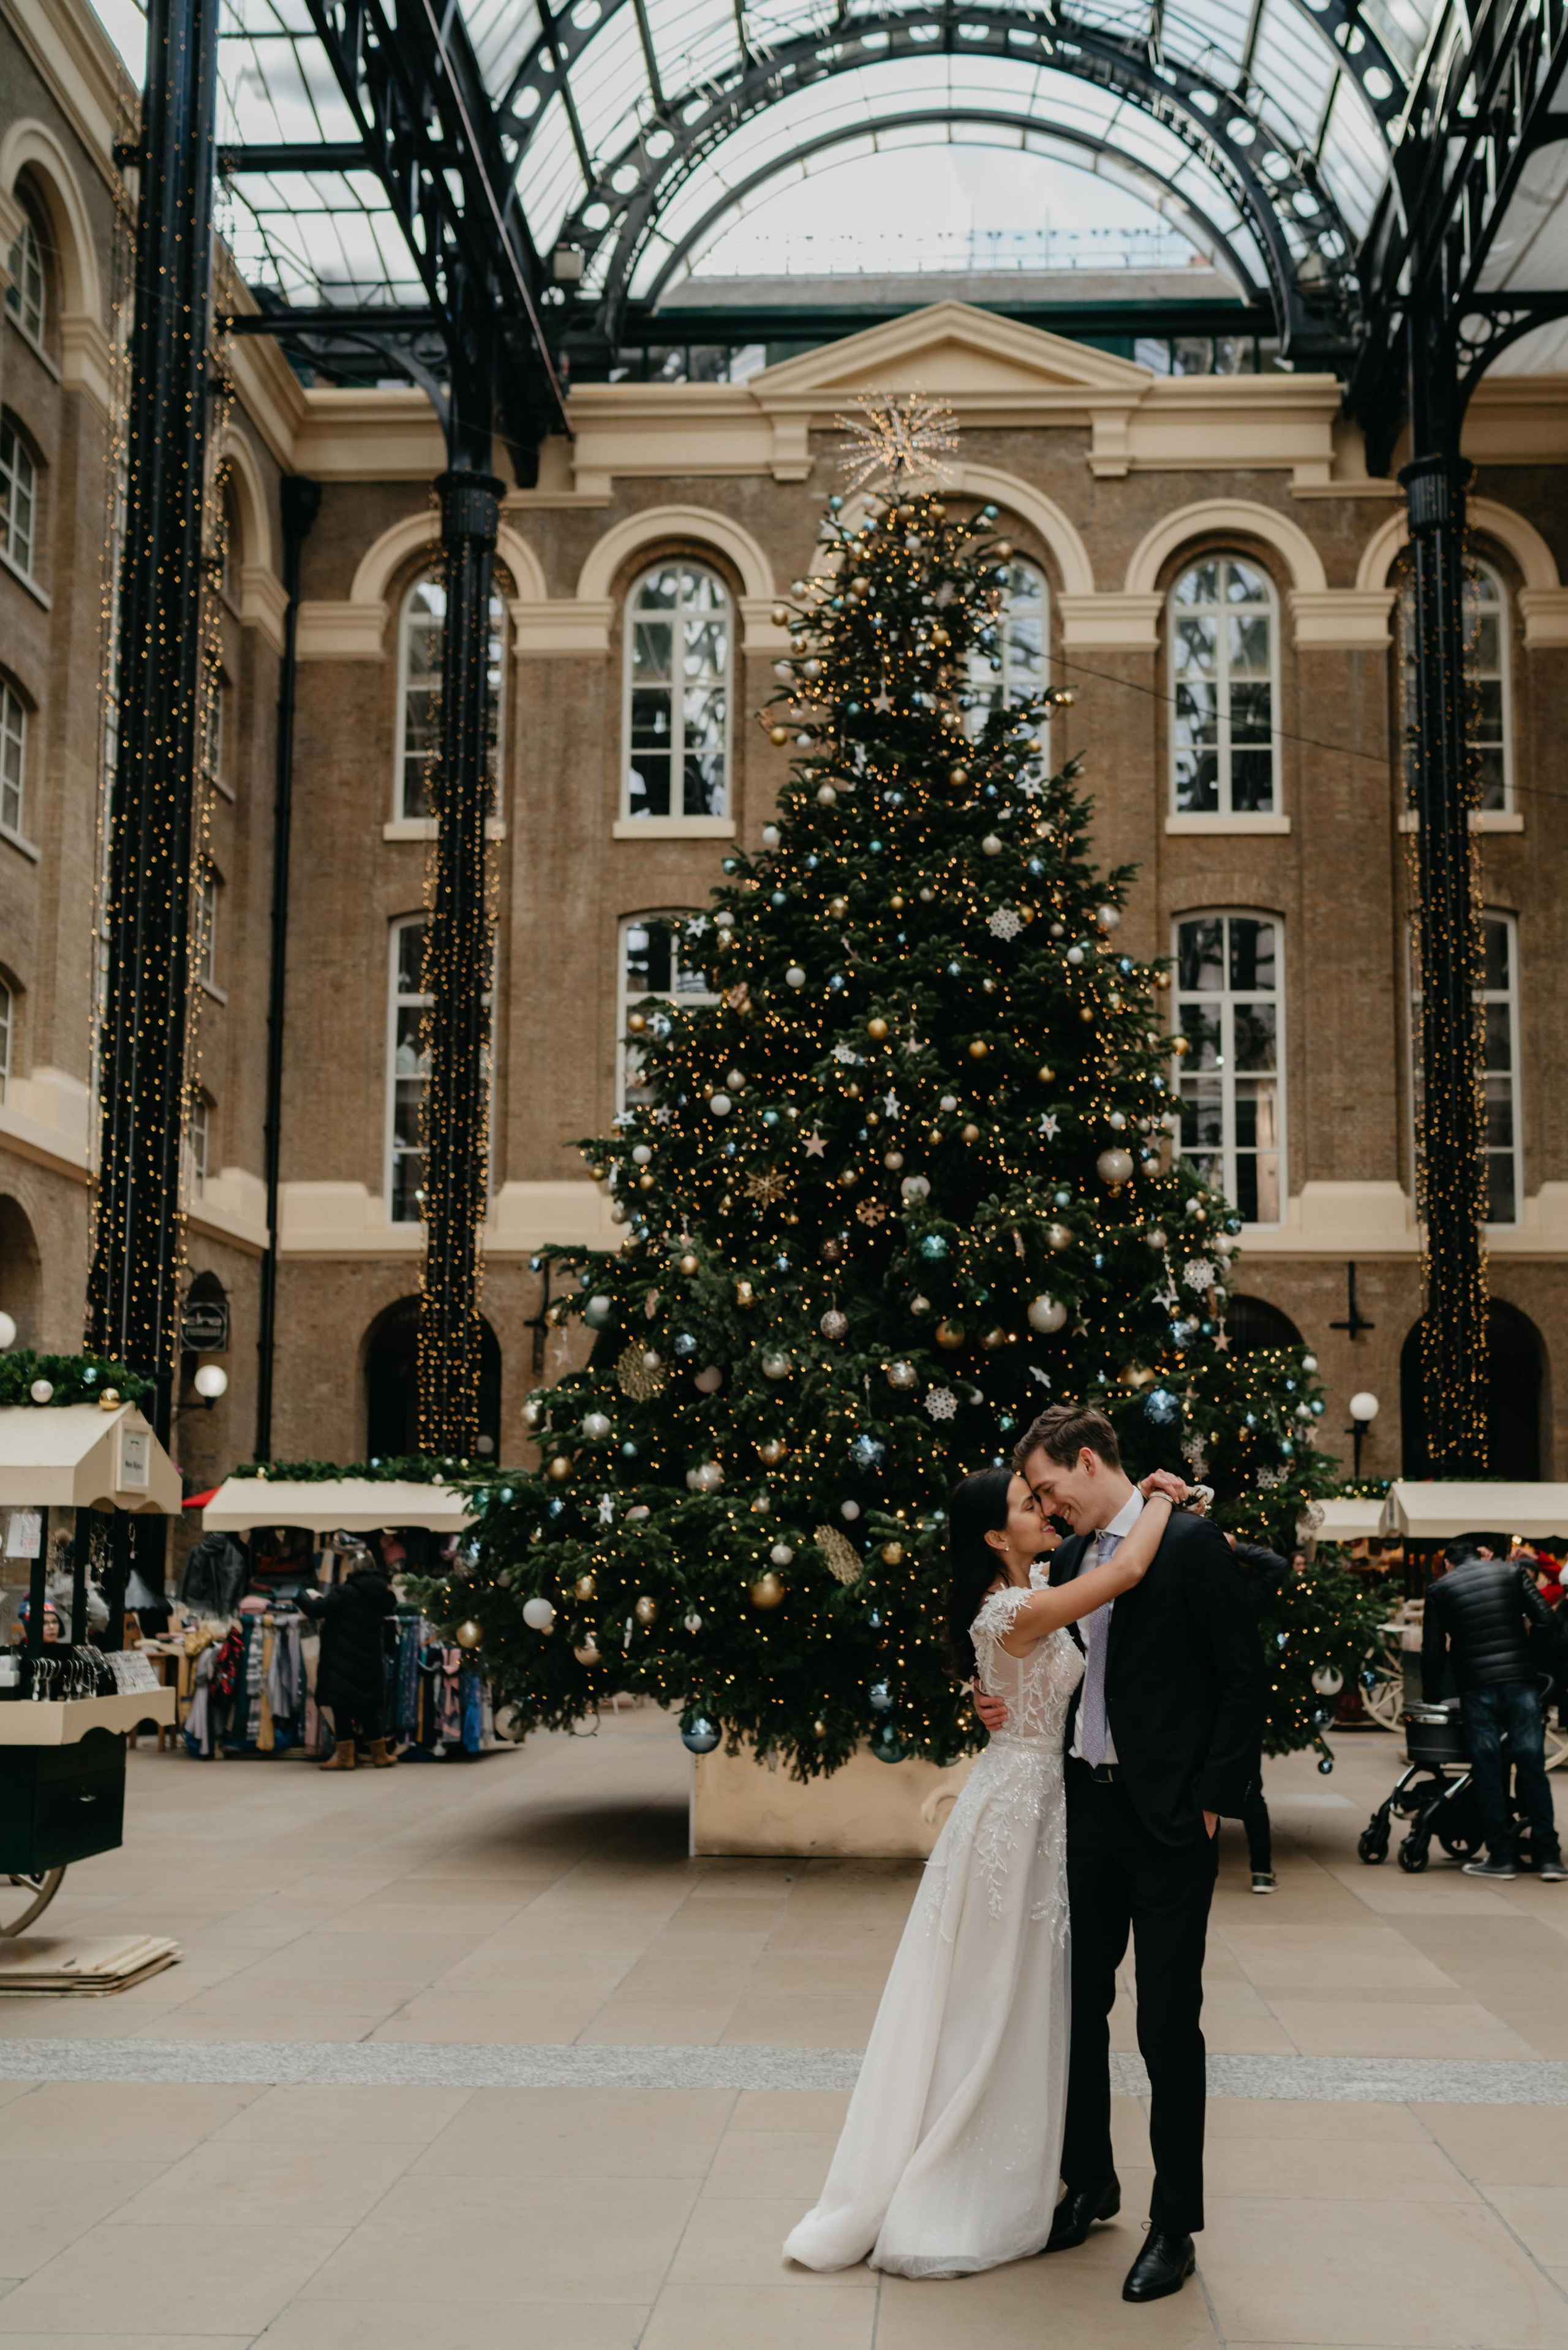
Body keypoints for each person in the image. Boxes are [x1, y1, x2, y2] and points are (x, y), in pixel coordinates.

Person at [783, 1465, 1185, 2280]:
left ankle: (1054, 2159)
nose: (1043, 1511)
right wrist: (1164, 1501)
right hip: (1019, 1810)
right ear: (994, 1538)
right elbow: (1128, 1569)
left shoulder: (1031, 1585)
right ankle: (969, 2167)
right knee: (996, 1990)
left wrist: (983, 1689)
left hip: (1037, 1797)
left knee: (1024, 1986)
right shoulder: (1015, 1606)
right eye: (1025, 1507)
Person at [975, 1404, 1265, 2305]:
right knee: (1075, 2007)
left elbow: (1241, 1675)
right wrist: (986, 1704)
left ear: (1088, 1459)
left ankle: (1175, 2222)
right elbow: (1038, 1667)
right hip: (1083, 1812)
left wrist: (1214, 1800)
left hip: (1171, 1821)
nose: (1047, 1507)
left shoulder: (1187, 1543)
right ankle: (1090, 2181)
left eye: (1052, 1487)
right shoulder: (1066, 1562)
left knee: (1168, 2023)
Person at [1421, 1532, 1564, 1881]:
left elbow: (1433, 1649)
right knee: (1532, 1765)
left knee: (1487, 1769)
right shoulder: (1511, 1572)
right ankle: (1549, 1858)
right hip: (1521, 1683)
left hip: (1477, 1686)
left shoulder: (1440, 1589)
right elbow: (1545, 1619)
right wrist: (1528, 1658)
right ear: (1480, 1555)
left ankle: (1500, 1857)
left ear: (1447, 1563)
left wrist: (1432, 1696)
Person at [297, 1542, 399, 1769]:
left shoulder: (347, 1592)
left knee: (342, 1706)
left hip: (342, 1659)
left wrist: (300, 1595)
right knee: (368, 1708)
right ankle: (380, 1755)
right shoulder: (381, 1593)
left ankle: (345, 1758)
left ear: (352, 1569)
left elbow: (317, 1610)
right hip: (369, 1658)